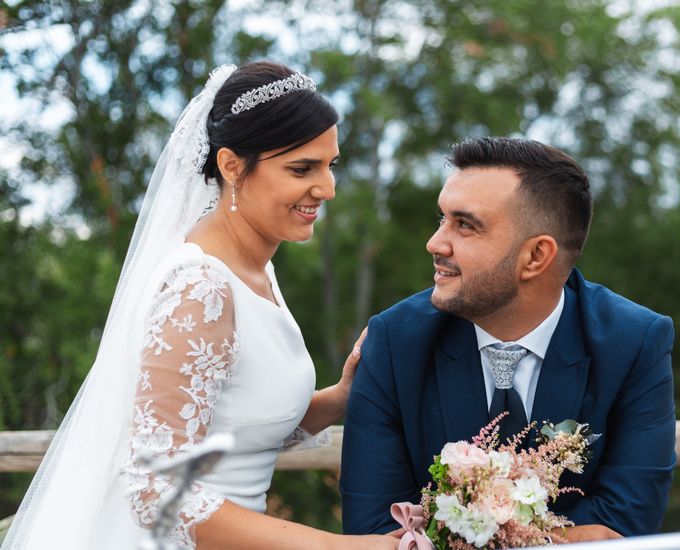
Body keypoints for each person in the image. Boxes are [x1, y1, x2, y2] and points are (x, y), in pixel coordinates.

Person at [2, 62, 398, 550]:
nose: (327, 188)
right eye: (302, 169)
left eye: (329, 164)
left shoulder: (256, 270)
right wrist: (343, 547)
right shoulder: (201, 286)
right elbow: (156, 487)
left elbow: (233, 430)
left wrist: (339, 396)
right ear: (232, 166)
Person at [340, 137, 676, 541]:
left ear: (536, 256)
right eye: (441, 219)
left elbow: (626, 523)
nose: (435, 243)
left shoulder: (635, 342)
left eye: (465, 225)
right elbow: (372, 529)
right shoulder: (394, 342)